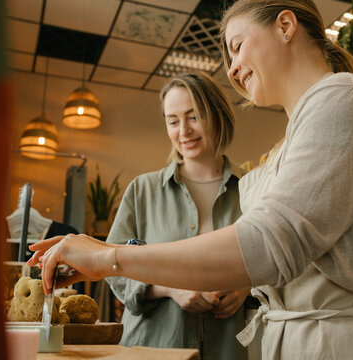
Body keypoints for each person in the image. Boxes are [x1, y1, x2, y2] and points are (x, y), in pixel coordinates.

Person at [28, 0, 353, 358]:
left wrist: (108, 256)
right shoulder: (294, 134)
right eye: (173, 120)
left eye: (237, 46)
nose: (233, 68)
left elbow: (270, 244)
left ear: (285, 26)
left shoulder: (344, 96)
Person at [104, 72, 249, 360]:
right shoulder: (142, 190)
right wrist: (168, 288)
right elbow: (111, 268)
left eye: (194, 116)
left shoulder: (251, 189)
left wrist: (246, 287)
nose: (183, 130)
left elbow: (277, 261)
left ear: (217, 115)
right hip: (151, 347)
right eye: (173, 121)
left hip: (227, 348)